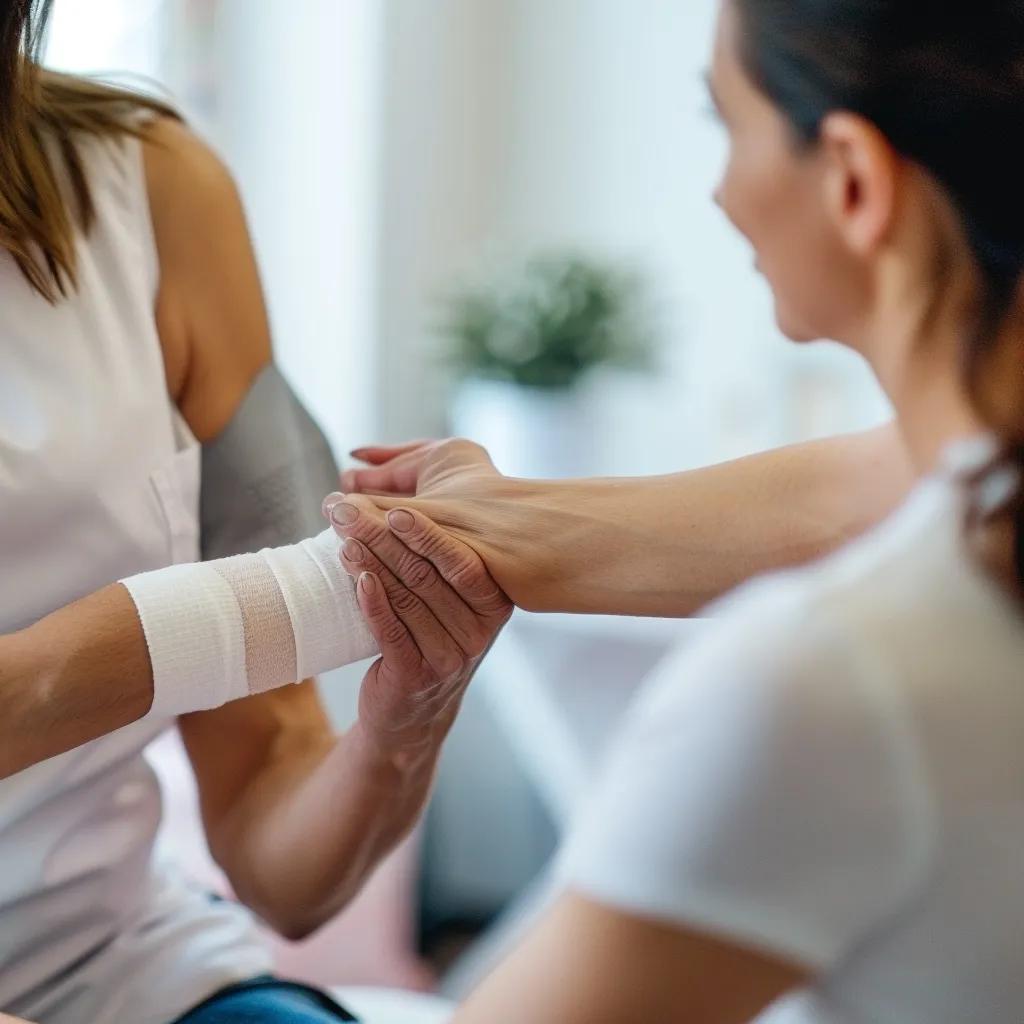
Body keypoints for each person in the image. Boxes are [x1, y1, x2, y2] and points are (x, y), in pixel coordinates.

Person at [335, 0, 1024, 1020]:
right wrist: (496, 513)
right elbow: (851, 490)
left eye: (726, 124)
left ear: (852, 180)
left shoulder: (830, 677)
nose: (718, 188)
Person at [0, 4, 512, 1023]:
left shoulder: (152, 189)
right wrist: (194, 629)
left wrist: (401, 720)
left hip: (112, 965)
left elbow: (283, 863)